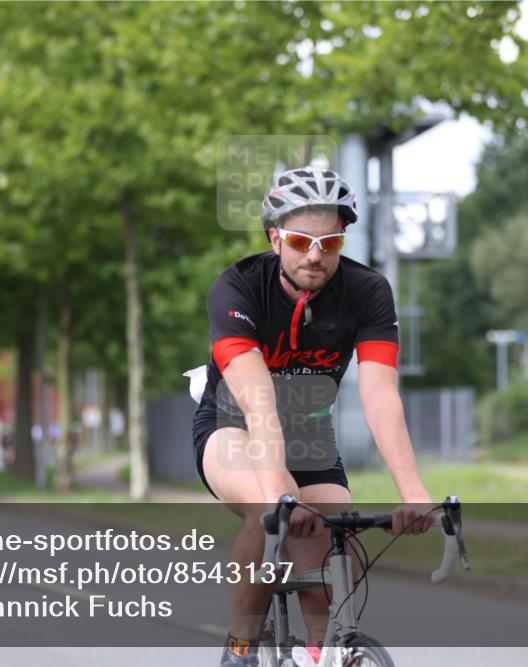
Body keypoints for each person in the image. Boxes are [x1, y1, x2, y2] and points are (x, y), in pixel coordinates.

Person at [192, 167, 434, 666]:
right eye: (301, 240)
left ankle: (324, 652)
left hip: (310, 432)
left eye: (331, 241)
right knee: (269, 512)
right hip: (234, 423)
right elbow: (257, 399)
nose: (315, 254)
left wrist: (413, 493)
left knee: (330, 552)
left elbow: (380, 394)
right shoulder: (237, 289)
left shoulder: (367, 291)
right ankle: (240, 649)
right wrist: (281, 490)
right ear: (275, 237)